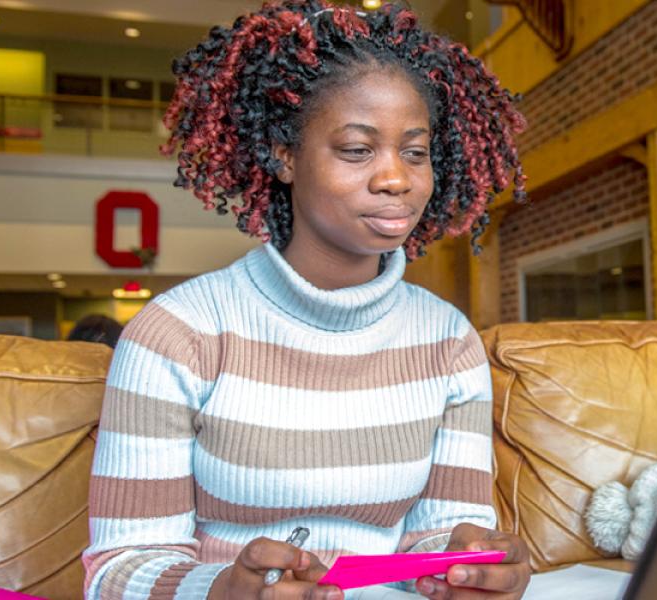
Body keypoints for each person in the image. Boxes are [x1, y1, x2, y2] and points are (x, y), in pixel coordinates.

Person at [82, 2, 529, 599]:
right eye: (357, 149)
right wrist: (220, 591)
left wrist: (468, 568)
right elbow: (118, 569)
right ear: (285, 156)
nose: (396, 178)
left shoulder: (448, 342)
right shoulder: (177, 334)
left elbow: (437, 536)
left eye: (415, 152)